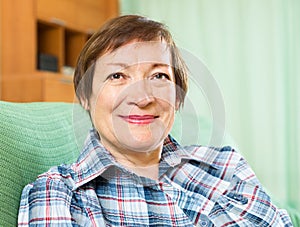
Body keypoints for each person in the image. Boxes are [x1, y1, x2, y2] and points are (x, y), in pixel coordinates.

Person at [18, 15, 292, 226]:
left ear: (178, 98)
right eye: (117, 76)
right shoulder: (57, 193)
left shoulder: (226, 167)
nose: (142, 96)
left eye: (159, 76)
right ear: (86, 97)